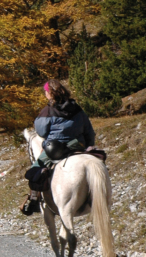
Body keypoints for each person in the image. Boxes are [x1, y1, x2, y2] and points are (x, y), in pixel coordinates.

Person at [20, 79, 95, 215]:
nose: (45, 94)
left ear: (50, 93)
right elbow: (89, 130)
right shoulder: (78, 109)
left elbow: (41, 132)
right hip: (78, 145)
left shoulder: (48, 111)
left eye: (45, 92)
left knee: (36, 169)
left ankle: (34, 201)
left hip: (55, 148)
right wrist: (89, 146)